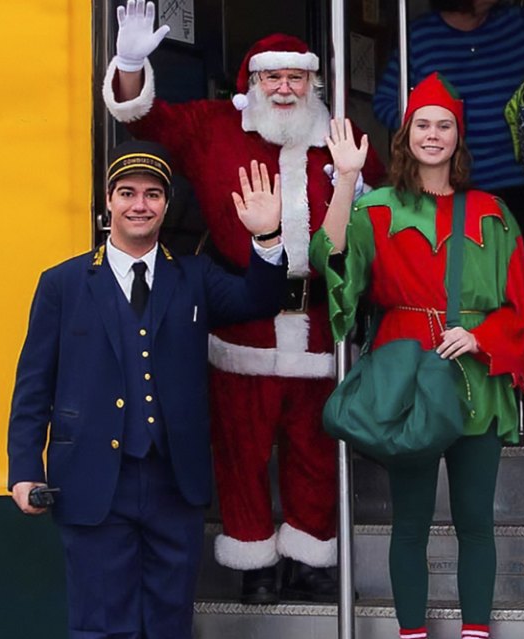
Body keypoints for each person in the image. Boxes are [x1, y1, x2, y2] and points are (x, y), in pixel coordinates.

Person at [101, 0, 386, 603]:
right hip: (239, 315)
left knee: (314, 445)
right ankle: (254, 560)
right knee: (241, 446)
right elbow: (143, 118)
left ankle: (309, 557)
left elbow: (382, 213)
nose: (285, 89)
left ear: (313, 82)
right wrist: (129, 62)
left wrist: (355, 182)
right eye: (272, 77)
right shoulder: (212, 125)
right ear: (251, 82)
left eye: (296, 77)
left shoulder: (342, 134)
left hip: (319, 321)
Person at [6, 139, 286, 639]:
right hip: (91, 481)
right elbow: (33, 385)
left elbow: (258, 299)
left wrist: (266, 235)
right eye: (128, 192)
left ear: (166, 204)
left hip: (172, 482)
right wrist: (24, 467)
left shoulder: (194, 276)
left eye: (153, 194)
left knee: (168, 625)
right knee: (101, 625)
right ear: (108, 202)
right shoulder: (62, 284)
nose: (140, 204)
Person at [311, 74, 524, 639]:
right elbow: (331, 260)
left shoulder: (493, 213)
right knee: (409, 522)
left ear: (458, 138)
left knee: (475, 521)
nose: (433, 135)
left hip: (477, 382)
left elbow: (522, 306)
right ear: (406, 134)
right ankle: (412, 638)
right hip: (406, 380)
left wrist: (483, 335)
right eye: (423, 125)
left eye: (444, 126)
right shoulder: (375, 208)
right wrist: (345, 181)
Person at [372, 0, 524, 259]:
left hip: (506, 183)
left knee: (504, 279)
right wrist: (430, 134)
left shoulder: (519, 23)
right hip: (442, 184)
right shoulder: (419, 37)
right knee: (448, 278)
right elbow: (384, 102)